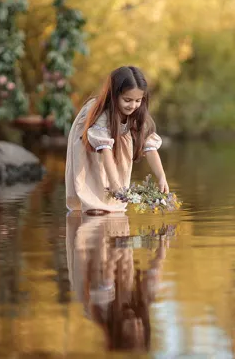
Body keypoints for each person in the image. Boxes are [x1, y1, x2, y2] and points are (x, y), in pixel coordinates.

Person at [65, 66, 169, 214]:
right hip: (88, 144)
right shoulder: (102, 114)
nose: (133, 105)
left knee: (115, 189)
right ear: (114, 95)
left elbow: (151, 148)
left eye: (138, 100)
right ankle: (93, 204)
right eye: (127, 100)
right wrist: (114, 184)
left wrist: (161, 177)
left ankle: (111, 201)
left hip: (114, 141)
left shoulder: (137, 113)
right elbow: (106, 151)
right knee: (93, 171)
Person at [66, 212, 170, 352]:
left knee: (104, 235)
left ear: (119, 332)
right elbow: (156, 268)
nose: (137, 324)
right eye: (141, 328)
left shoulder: (102, 311)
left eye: (132, 330)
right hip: (115, 260)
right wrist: (162, 244)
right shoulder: (143, 305)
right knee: (122, 244)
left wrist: (125, 244)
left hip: (92, 264)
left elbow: (107, 267)